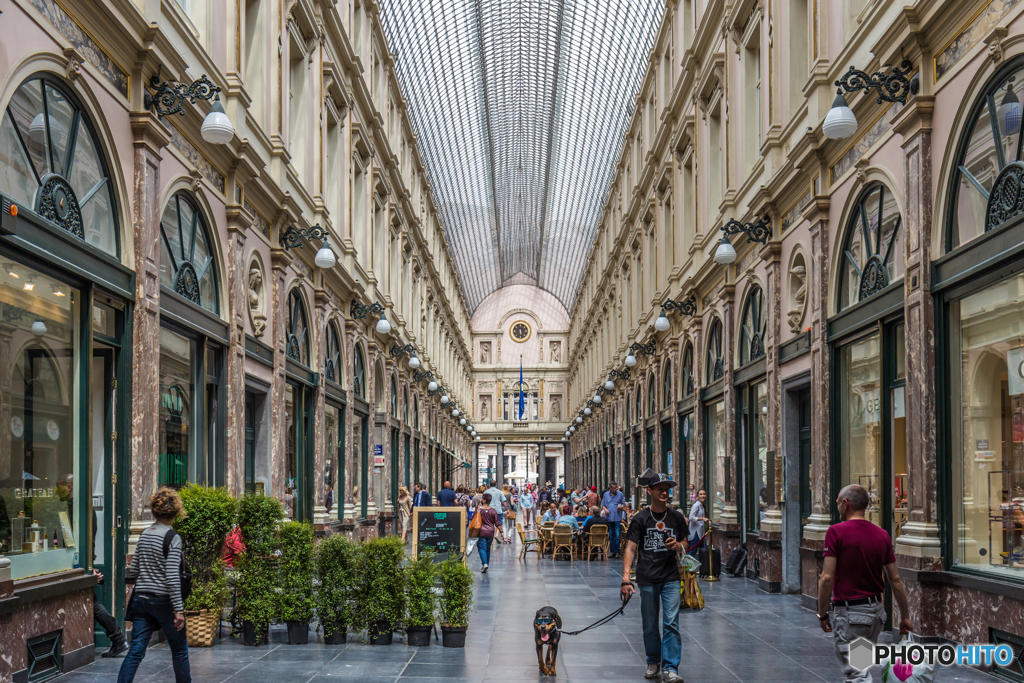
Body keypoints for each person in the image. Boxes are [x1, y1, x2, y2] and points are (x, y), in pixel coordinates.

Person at [818, 484, 912, 683]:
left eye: (837, 503)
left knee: (857, 675)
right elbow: (895, 579)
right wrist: (904, 616)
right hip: (875, 615)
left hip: (852, 617)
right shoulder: (882, 534)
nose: (837, 508)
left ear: (846, 504)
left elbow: (827, 576)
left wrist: (823, 613)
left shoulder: (835, 532)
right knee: (860, 668)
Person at [118, 487, 190, 683]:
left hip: (141, 600)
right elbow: (172, 578)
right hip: (164, 602)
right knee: (179, 649)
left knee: (136, 650)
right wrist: (178, 610)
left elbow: (133, 571)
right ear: (176, 512)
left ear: (155, 511)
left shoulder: (144, 534)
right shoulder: (172, 538)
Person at [621, 473, 687, 683]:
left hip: (671, 577)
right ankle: (652, 660)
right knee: (650, 623)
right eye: (659, 488)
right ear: (649, 491)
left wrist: (678, 546)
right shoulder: (641, 518)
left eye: (667, 488)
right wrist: (626, 578)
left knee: (671, 623)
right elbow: (630, 548)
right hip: (647, 577)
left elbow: (686, 542)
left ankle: (670, 667)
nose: (664, 492)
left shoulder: (676, 517)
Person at [476, 492, 505, 573]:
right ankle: (486, 564)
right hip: (490, 532)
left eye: (482, 498)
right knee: (488, 548)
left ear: (484, 500)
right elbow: (497, 523)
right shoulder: (493, 511)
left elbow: (474, 520)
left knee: (481, 547)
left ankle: (484, 564)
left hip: (481, 531)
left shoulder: (478, 510)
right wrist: (501, 532)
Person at [601, 481, 626, 558]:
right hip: (609, 518)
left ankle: (618, 552)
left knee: (617, 535)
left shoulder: (620, 494)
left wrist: (620, 507)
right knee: (611, 535)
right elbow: (603, 505)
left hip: (617, 517)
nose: (615, 489)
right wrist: (605, 510)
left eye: (616, 488)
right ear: (610, 488)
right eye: (614, 488)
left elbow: (623, 504)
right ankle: (613, 552)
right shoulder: (606, 494)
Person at [687, 490, 710, 557]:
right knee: (693, 551)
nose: (702, 496)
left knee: (704, 551)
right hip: (696, 532)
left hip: (701, 532)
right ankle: (689, 567)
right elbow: (691, 517)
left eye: (704, 494)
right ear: (697, 496)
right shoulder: (696, 505)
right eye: (701, 494)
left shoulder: (702, 505)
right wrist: (702, 518)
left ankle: (704, 566)